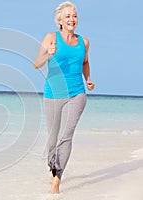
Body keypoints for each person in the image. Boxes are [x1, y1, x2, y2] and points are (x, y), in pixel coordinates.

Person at [33, 1, 95, 194]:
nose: (72, 19)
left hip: (77, 94)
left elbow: (85, 63)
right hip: (52, 94)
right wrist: (48, 55)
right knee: (52, 139)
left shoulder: (84, 42)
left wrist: (88, 79)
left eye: (74, 16)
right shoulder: (51, 38)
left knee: (66, 136)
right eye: (67, 16)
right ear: (59, 20)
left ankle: (57, 180)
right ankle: (52, 168)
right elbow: (36, 63)